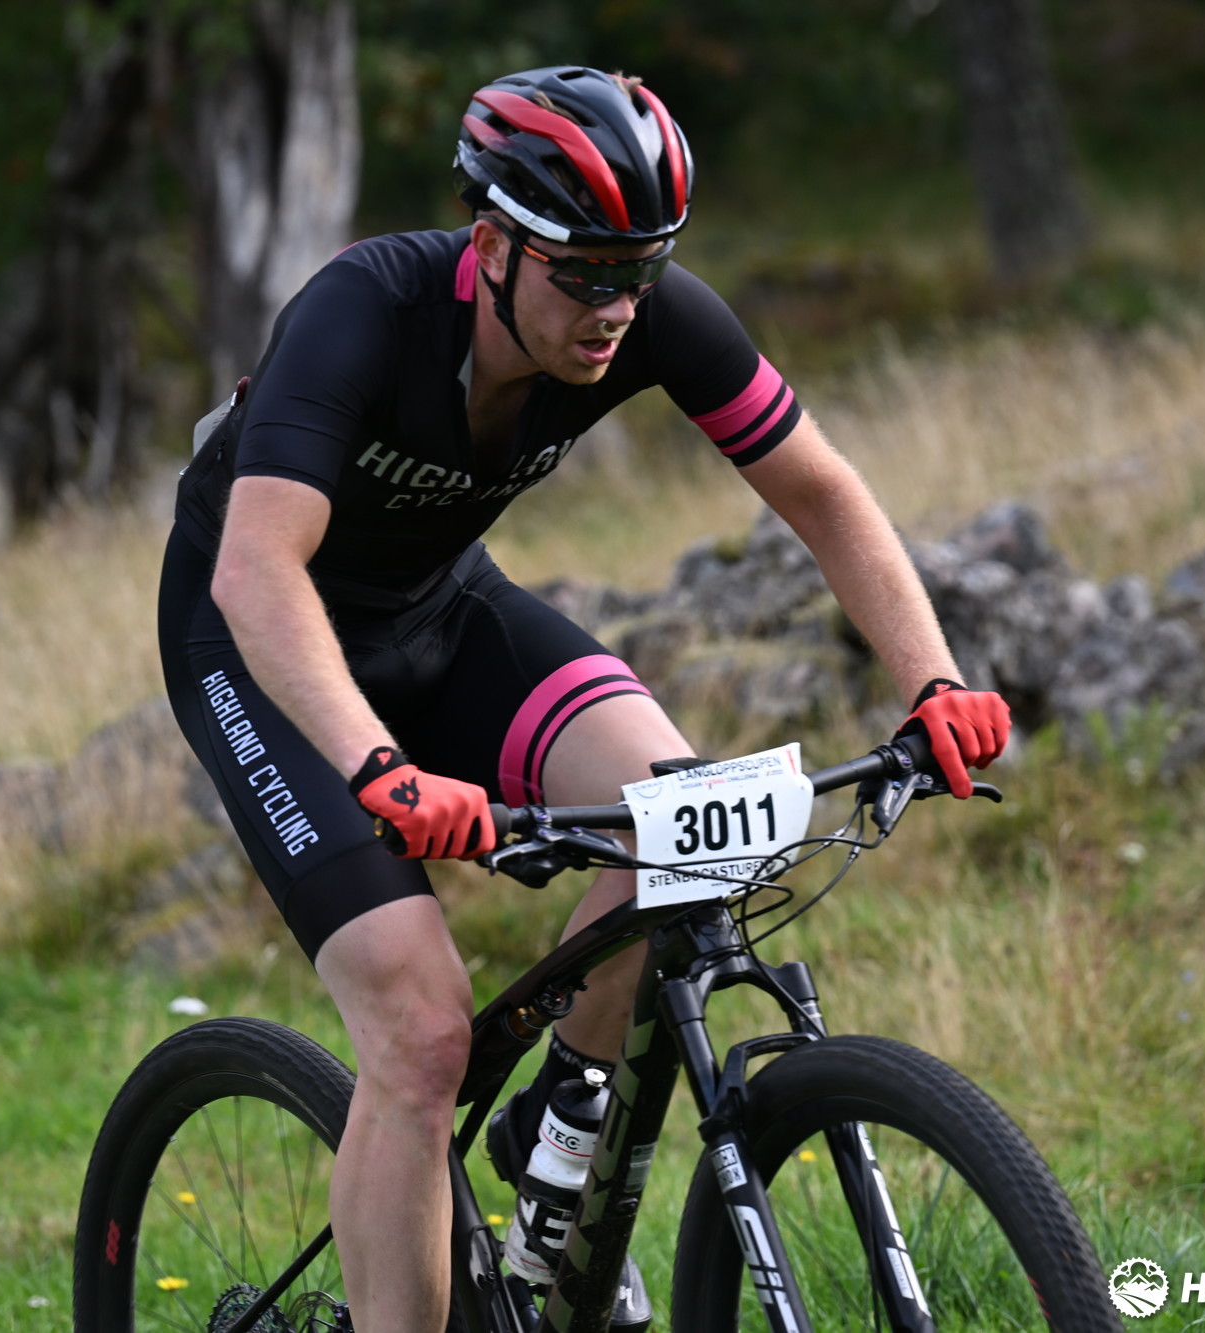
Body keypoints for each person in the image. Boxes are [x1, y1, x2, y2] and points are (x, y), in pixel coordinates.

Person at [158, 64, 1011, 1333]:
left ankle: (557, 1137)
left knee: (690, 831)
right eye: (585, 274)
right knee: (419, 1030)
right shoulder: (363, 311)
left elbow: (821, 491)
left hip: (441, 612)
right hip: (255, 639)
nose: (616, 306)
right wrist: (379, 768)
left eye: (641, 269)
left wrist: (930, 681)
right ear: (493, 245)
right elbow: (254, 570)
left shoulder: (650, 316)